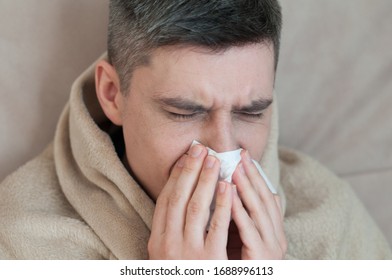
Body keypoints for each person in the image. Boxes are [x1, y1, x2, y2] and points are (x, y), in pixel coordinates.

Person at [0, 0, 390, 260]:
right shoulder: (25, 239)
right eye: (183, 112)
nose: (223, 150)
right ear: (113, 94)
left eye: (251, 113)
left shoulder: (331, 214)